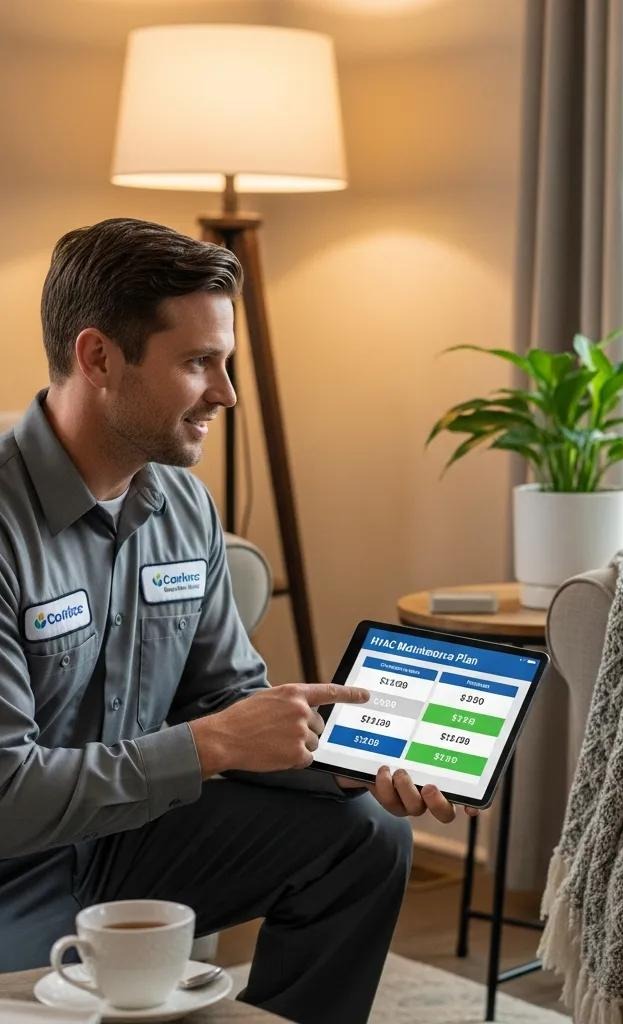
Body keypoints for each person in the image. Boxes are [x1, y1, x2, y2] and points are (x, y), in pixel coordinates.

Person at [0, 217, 475, 1024]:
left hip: (126, 843)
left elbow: (225, 698)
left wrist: (353, 761)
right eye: (198, 363)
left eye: (225, 363)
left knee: (365, 833)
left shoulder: (184, 506)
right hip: (15, 870)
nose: (226, 394)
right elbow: (8, 791)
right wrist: (209, 745)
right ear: (98, 358)